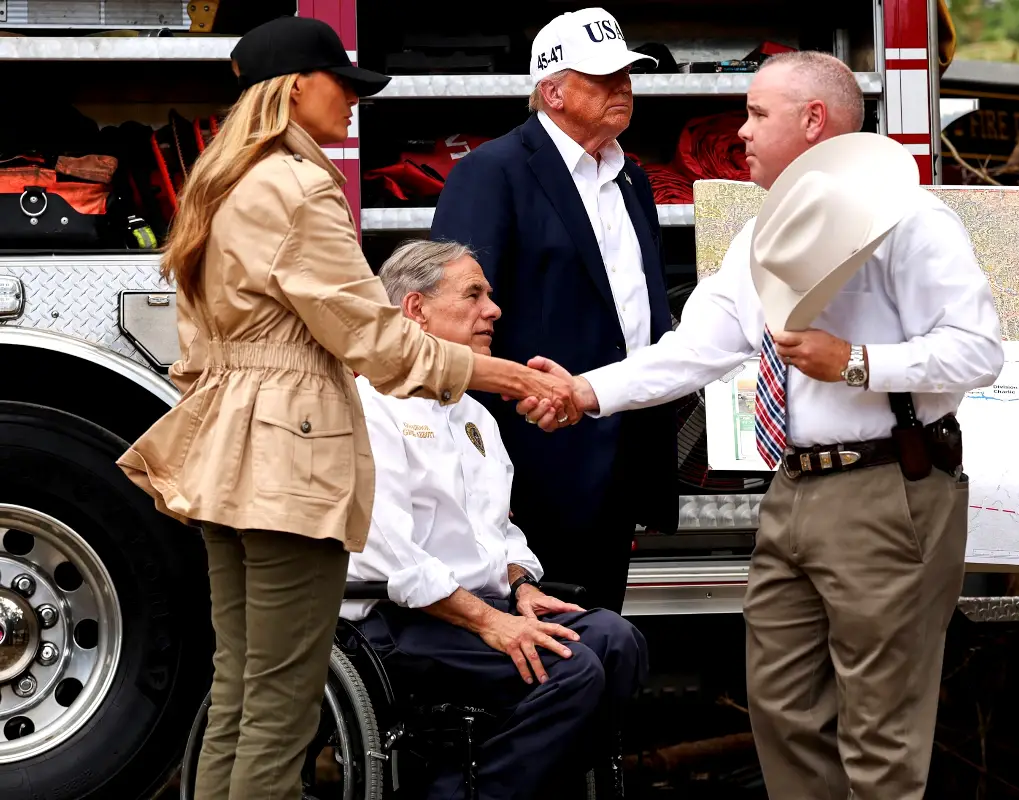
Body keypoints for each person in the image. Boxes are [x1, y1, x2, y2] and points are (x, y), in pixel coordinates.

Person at [521, 51, 1005, 799]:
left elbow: (978, 351)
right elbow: (692, 352)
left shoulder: (913, 219)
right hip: (795, 493)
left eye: (756, 114)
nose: (738, 131)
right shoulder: (759, 237)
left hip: (888, 489)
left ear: (815, 122)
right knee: (782, 712)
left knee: (879, 728)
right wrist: (584, 392)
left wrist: (855, 362)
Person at [115, 17, 576, 800]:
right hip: (289, 462)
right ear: (296, 87)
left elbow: (194, 347)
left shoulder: (220, 187)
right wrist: (510, 378)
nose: (356, 103)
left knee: (239, 691)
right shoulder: (298, 187)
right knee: (283, 709)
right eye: (344, 85)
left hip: (225, 457)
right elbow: (378, 341)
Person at [341, 239, 648, 800]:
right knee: (571, 670)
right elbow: (391, 558)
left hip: (477, 607)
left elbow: (499, 532)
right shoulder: (371, 407)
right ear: (415, 309)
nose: (494, 310)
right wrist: (491, 621)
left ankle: (522, 780)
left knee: (616, 640)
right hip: (402, 621)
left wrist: (521, 586)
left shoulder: (474, 412)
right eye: (474, 294)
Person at [428, 6, 677, 614]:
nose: (623, 87)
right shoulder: (493, 173)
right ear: (553, 91)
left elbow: (642, 304)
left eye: (627, 74)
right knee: (535, 642)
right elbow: (454, 323)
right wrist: (476, 463)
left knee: (602, 628)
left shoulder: (630, 178)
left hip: (621, 446)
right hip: (532, 458)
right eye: (603, 77)